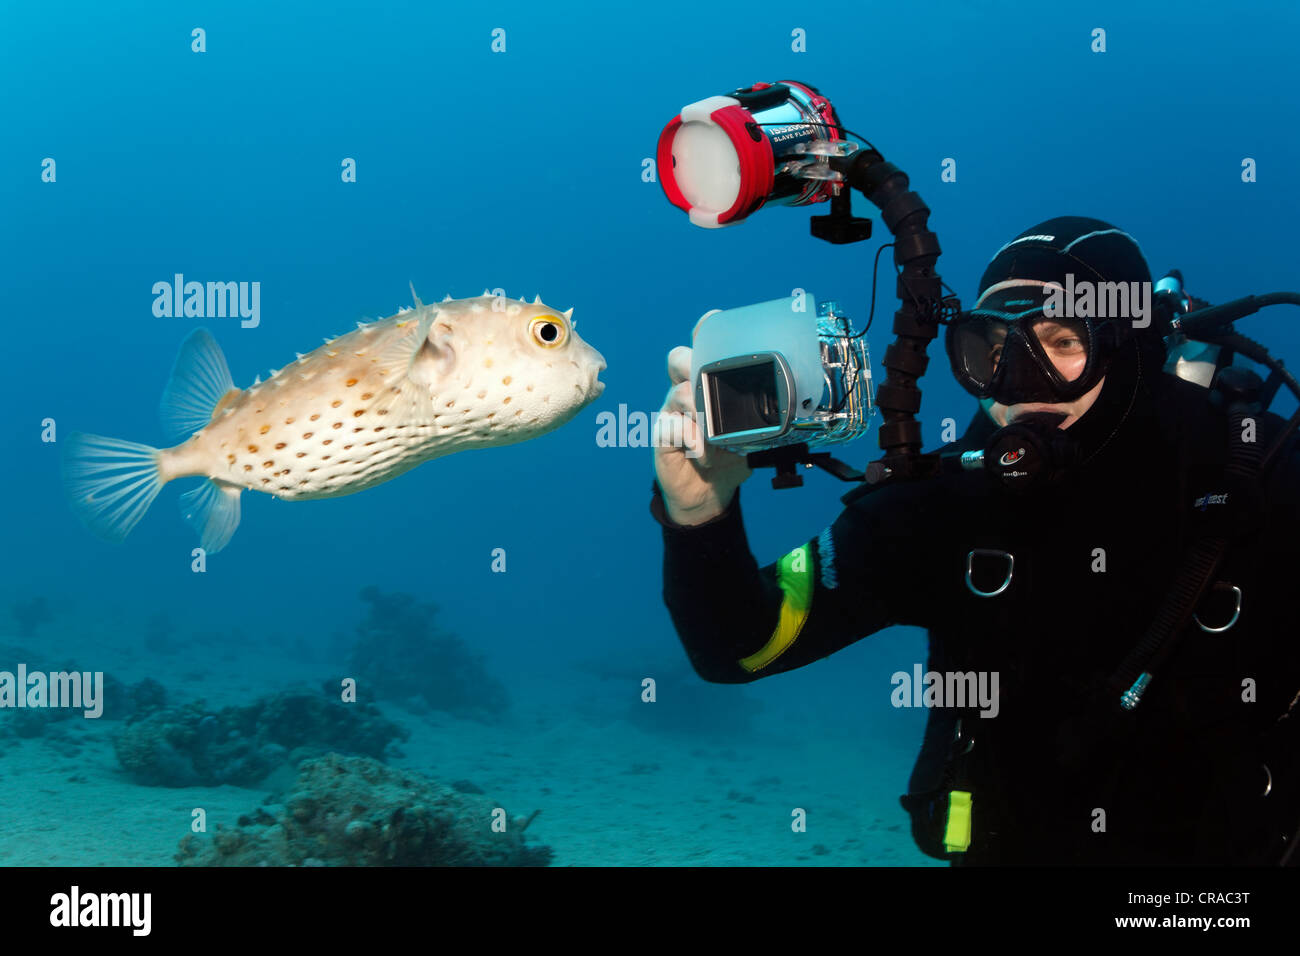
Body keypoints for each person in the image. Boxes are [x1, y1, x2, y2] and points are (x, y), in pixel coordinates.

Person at [651, 217, 1300, 865]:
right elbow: (740, 648)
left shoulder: (1268, 481)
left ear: (1130, 349)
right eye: (991, 348)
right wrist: (699, 515)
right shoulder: (943, 507)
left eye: (1062, 340)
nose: (1020, 382)